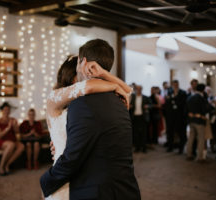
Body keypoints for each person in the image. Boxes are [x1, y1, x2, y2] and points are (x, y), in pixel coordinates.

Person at [40, 39, 141, 200]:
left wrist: (104, 77)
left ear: (84, 62)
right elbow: (87, 86)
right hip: (69, 177)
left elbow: (125, 92)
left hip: (77, 179)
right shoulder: (57, 98)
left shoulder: (84, 104)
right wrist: (113, 84)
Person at [0, 102, 25, 175]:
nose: (7, 111)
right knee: (11, 145)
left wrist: (15, 126)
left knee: (21, 146)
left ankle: (7, 164)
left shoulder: (13, 120)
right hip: (0, 140)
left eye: (8, 110)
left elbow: (17, 132)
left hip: (12, 140)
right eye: (5, 110)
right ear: (2, 111)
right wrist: (8, 128)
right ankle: (1, 166)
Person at [186, 84, 208, 162]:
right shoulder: (201, 98)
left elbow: (186, 109)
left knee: (191, 138)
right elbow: (205, 109)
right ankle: (200, 157)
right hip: (199, 120)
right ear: (203, 90)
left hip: (191, 120)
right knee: (201, 139)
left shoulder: (190, 97)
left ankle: (189, 154)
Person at [165, 80, 187, 153]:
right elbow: (168, 102)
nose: (175, 86)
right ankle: (170, 146)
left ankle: (181, 148)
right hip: (171, 116)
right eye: (174, 85)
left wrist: (174, 100)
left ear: (178, 84)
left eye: (176, 84)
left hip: (180, 116)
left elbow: (183, 104)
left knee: (180, 133)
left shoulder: (183, 93)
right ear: (172, 85)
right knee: (170, 132)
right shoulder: (170, 92)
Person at [130, 85, 151, 153]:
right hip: (135, 117)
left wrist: (148, 106)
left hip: (143, 117)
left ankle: (144, 147)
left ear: (142, 89)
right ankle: (137, 147)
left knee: (143, 133)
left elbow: (151, 105)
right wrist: (130, 106)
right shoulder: (133, 97)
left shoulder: (145, 97)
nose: (138, 90)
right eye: (137, 89)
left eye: (140, 89)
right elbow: (129, 105)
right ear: (136, 90)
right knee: (136, 133)